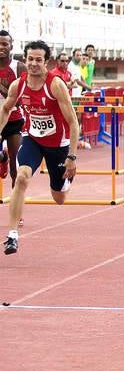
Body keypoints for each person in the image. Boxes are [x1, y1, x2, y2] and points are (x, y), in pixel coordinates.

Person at [0, 40, 80, 255]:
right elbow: (6, 109)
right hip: (33, 139)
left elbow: (73, 122)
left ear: (46, 62)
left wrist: (72, 156)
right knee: (22, 177)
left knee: (59, 198)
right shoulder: (19, 85)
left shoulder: (55, 85)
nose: (34, 64)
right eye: (30, 59)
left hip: (59, 145)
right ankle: (12, 235)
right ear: (24, 60)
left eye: (38, 60)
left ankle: (66, 179)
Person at [0, 30, 26, 187]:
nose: (1, 47)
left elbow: (18, 100)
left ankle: (16, 201)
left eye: (5, 44)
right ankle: (2, 158)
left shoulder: (19, 67)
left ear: (11, 46)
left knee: (16, 164)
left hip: (13, 119)